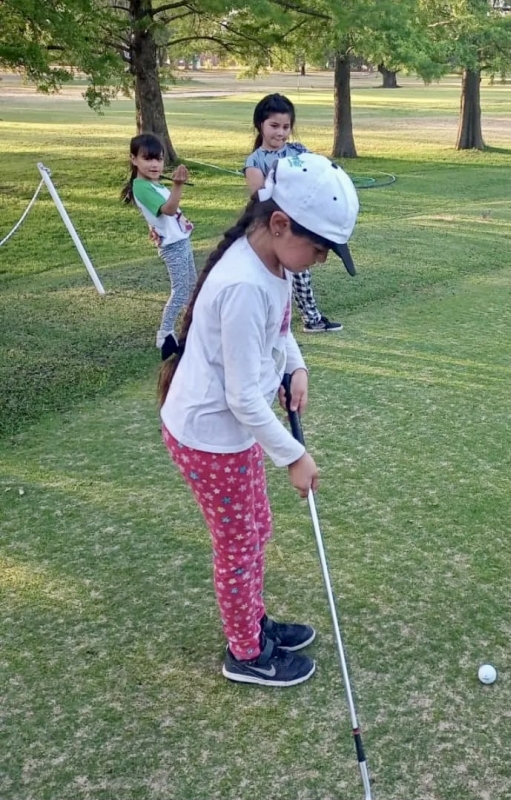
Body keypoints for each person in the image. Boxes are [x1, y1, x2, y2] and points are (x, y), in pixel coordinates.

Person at [158, 152, 359, 687]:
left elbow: (282, 328)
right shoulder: (245, 284)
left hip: (232, 430)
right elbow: (245, 397)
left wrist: (295, 366)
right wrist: (294, 455)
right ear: (278, 223)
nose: (319, 260)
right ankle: (245, 652)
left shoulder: (272, 264)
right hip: (209, 435)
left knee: (256, 528)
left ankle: (253, 621)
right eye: (317, 249)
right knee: (239, 545)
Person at [244, 93, 347, 333]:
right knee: (275, 279)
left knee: (301, 276)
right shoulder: (255, 161)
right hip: (273, 231)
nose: (280, 133)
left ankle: (310, 319)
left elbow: (316, 173)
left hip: (299, 227)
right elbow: (259, 198)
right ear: (260, 124)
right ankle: (275, 325)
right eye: (274, 126)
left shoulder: (298, 150)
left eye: (285, 127)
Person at [121, 133, 197, 358]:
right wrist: (178, 185)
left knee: (192, 286)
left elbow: (164, 215)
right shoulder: (142, 187)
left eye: (159, 159)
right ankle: (164, 334)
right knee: (181, 291)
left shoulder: (154, 185)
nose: (155, 164)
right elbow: (169, 210)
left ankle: (193, 328)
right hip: (172, 247)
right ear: (134, 160)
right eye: (148, 159)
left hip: (181, 241)